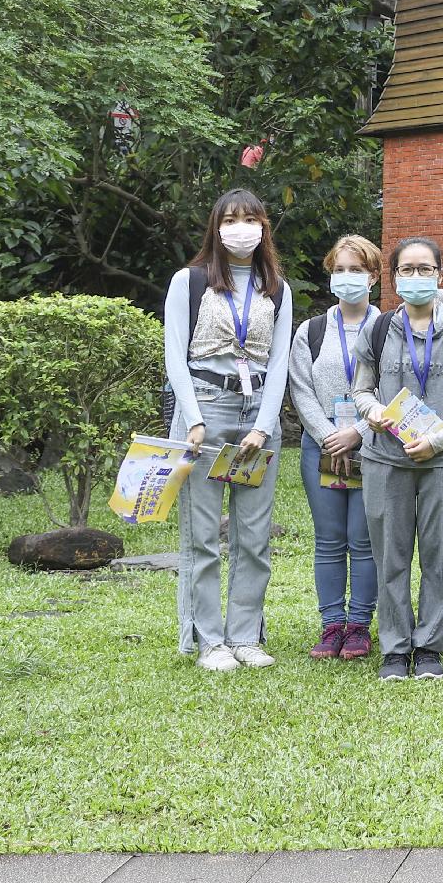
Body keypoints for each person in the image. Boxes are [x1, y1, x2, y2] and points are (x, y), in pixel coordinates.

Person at [163, 189, 294, 672]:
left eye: (251, 219)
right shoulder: (190, 281)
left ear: (264, 227)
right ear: (216, 227)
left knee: (253, 535)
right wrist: (192, 417)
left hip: (257, 412)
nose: (241, 228)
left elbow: (279, 361)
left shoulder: (276, 287)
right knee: (201, 535)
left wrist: (264, 424)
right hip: (206, 408)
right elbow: (175, 352)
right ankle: (209, 641)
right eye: (231, 219)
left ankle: (245, 637)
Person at [349, 236, 443, 681]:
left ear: (440, 275)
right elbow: (361, 390)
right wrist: (373, 414)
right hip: (386, 458)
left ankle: (428, 646)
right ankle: (393, 647)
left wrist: (441, 439)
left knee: (439, 555)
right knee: (390, 555)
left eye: (424, 269)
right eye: (406, 270)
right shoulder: (378, 328)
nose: (416, 277)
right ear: (393, 279)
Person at [286, 234, 382, 662]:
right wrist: (328, 433)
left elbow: (396, 387)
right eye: (340, 270)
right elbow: (300, 387)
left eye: (356, 270)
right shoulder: (312, 331)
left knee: (364, 540)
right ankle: (331, 625)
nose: (347, 278)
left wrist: (358, 430)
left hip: (373, 444)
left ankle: (359, 625)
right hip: (320, 444)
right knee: (328, 540)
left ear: (374, 277)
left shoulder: (387, 327)